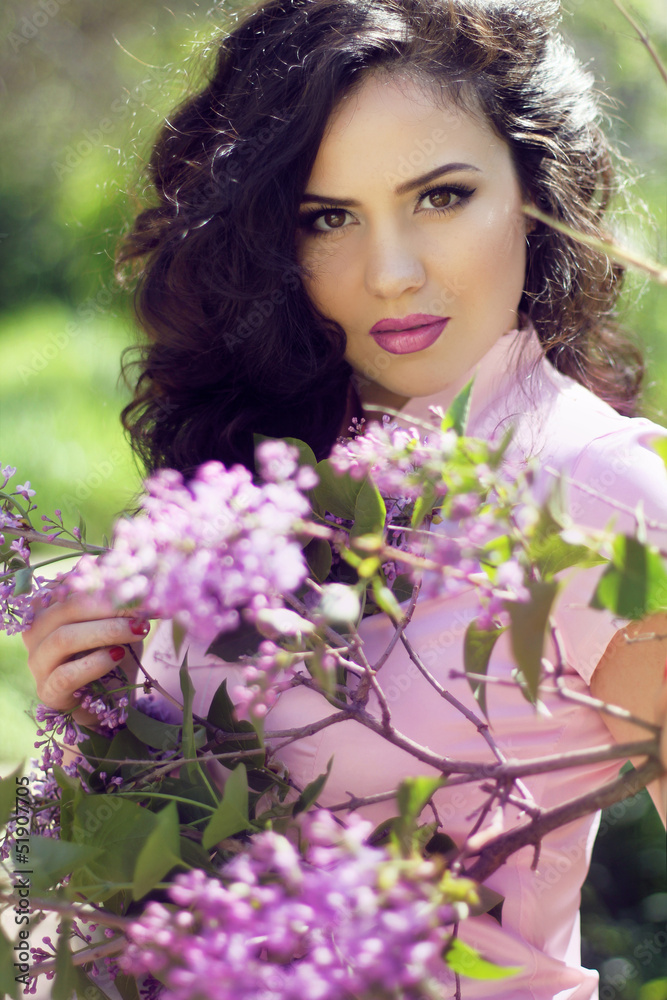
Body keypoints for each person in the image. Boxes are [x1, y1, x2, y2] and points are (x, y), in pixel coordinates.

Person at [23, 0, 667, 996]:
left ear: (536, 194)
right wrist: (87, 707)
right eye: (327, 217)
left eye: (442, 197)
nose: (392, 272)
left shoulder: (596, 494)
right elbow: (92, 891)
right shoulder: (254, 461)